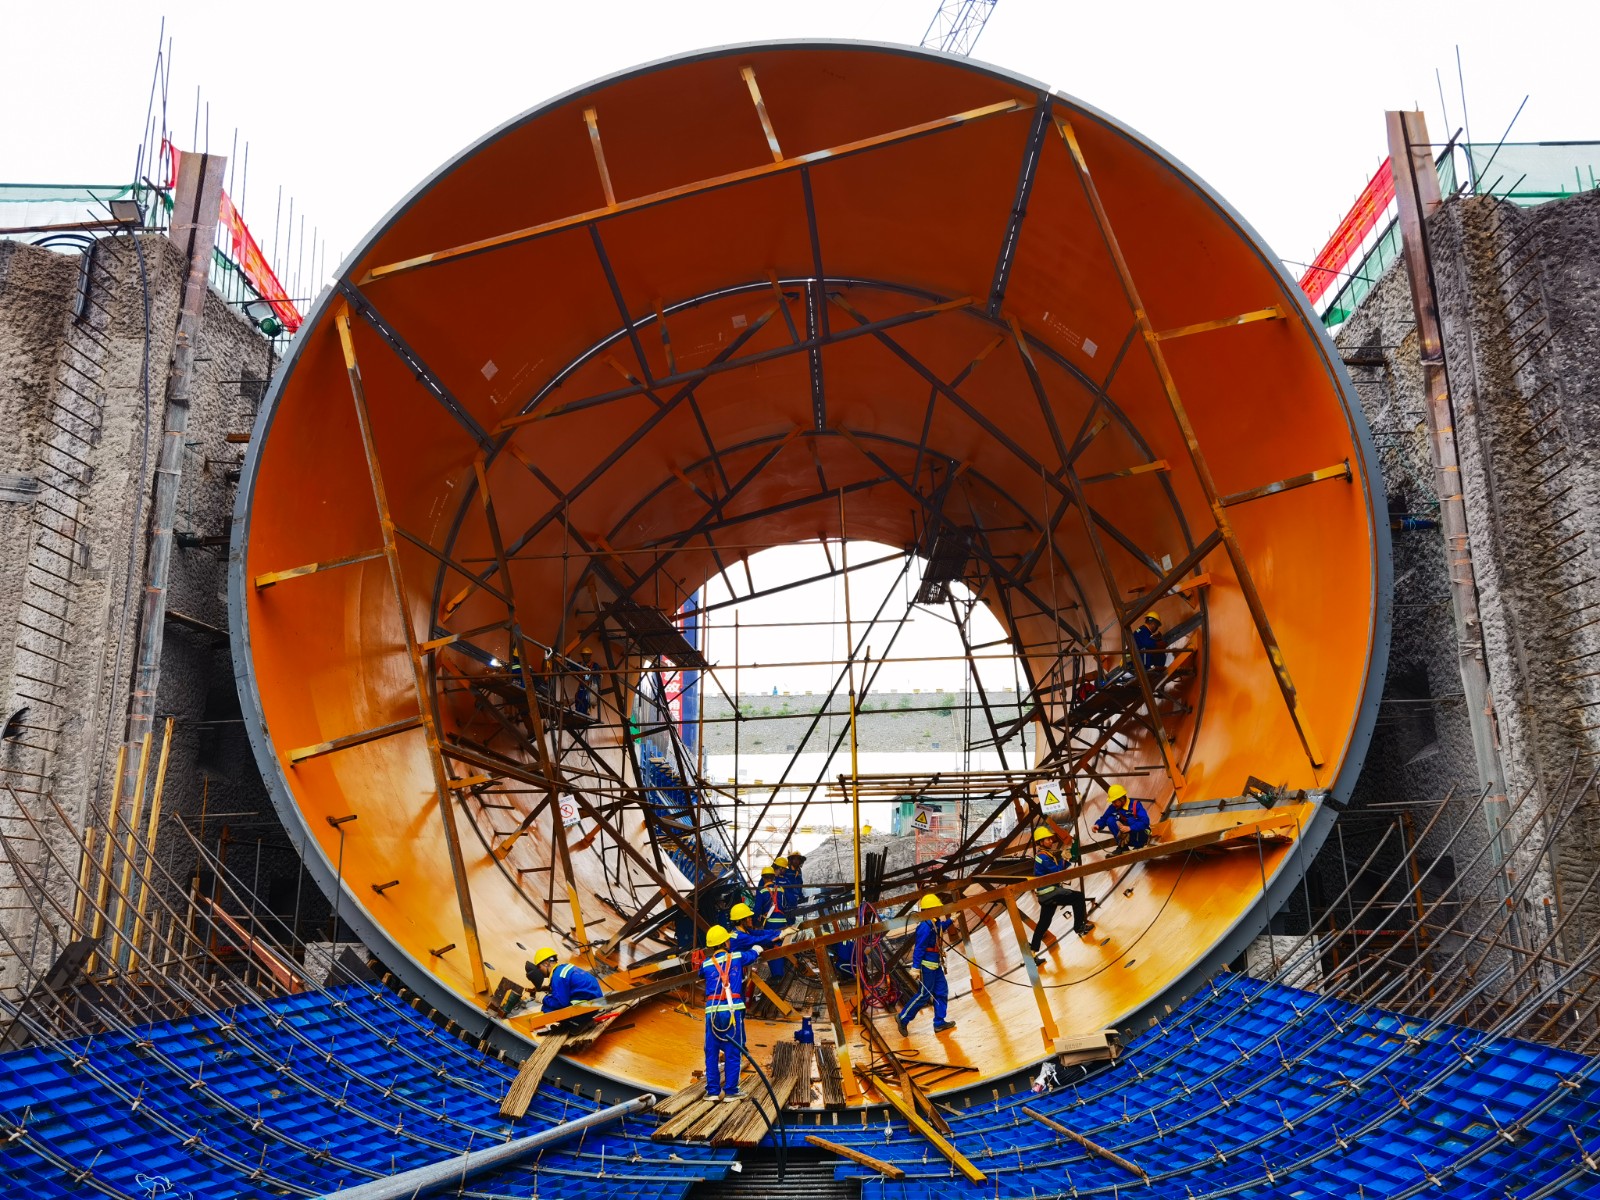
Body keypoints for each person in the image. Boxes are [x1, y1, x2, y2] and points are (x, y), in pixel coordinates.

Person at [700, 924, 759, 1101]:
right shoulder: (737, 957)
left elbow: (701, 973)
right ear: (726, 942)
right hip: (732, 1011)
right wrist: (757, 949)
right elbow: (752, 955)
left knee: (711, 1051)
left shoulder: (706, 964)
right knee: (733, 1050)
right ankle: (731, 1091)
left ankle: (713, 1091)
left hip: (712, 1012)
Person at [1029, 826, 1093, 961]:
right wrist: (1065, 859)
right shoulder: (1043, 857)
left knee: (1043, 923)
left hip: (1045, 895)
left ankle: (1032, 952)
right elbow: (1056, 872)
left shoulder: (1043, 855)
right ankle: (1079, 927)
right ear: (1040, 842)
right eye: (1047, 839)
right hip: (1050, 893)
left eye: (1050, 839)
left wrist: (1066, 858)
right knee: (1078, 897)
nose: (1051, 841)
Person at [895, 894, 956, 1035]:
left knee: (941, 991)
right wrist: (916, 967)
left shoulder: (933, 922)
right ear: (930, 909)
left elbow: (940, 928)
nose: (939, 911)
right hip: (927, 966)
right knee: (923, 995)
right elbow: (919, 948)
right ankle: (903, 1018)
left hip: (935, 964)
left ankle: (939, 1022)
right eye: (937, 908)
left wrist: (951, 920)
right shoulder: (925, 926)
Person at [524, 948, 605, 1031]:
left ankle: (577, 1025)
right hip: (595, 1005)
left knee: (547, 1009)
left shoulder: (557, 976)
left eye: (539, 967)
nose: (539, 971)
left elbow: (560, 1004)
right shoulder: (564, 969)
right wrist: (549, 989)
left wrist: (543, 998)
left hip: (585, 1011)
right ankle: (581, 1021)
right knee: (554, 1002)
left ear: (546, 963)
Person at [1093, 785, 1151, 853]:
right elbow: (1104, 818)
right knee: (1110, 820)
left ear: (1122, 799)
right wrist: (1097, 825)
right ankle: (1123, 847)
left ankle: (1139, 845)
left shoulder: (1135, 805)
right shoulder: (1113, 807)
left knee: (1130, 820)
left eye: (1115, 801)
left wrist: (1130, 828)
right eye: (1112, 802)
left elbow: (1145, 821)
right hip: (1127, 839)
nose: (1113, 804)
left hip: (1141, 836)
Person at [756, 865, 788, 979]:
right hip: (782, 922)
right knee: (780, 946)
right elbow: (785, 904)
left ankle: (777, 975)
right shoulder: (781, 889)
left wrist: (756, 923)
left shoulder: (762, 891)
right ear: (773, 877)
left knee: (771, 948)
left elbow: (757, 909)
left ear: (763, 878)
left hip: (770, 923)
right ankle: (780, 972)